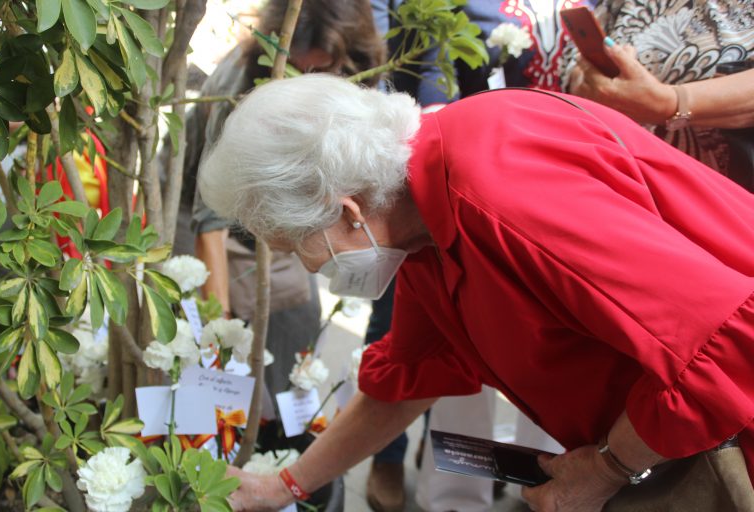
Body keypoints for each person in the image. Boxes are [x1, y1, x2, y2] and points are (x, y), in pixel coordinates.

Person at [199, 74, 754, 512]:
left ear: (347, 212)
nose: (310, 266)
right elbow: (412, 377)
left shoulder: (500, 197)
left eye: (296, 248)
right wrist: (283, 486)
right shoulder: (417, 217)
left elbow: (727, 344)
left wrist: (605, 469)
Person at [186, 0, 385, 394]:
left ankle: (278, 426)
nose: (305, 80)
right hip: (202, 209)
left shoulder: (357, 75)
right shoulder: (239, 85)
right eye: (295, 67)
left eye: (321, 70)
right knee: (214, 352)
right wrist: (218, 327)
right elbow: (208, 217)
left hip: (282, 218)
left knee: (295, 330)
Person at [563, 1, 754, 180]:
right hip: (607, 167)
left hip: (703, 182)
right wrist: (584, 79)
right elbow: (576, 53)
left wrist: (670, 102)